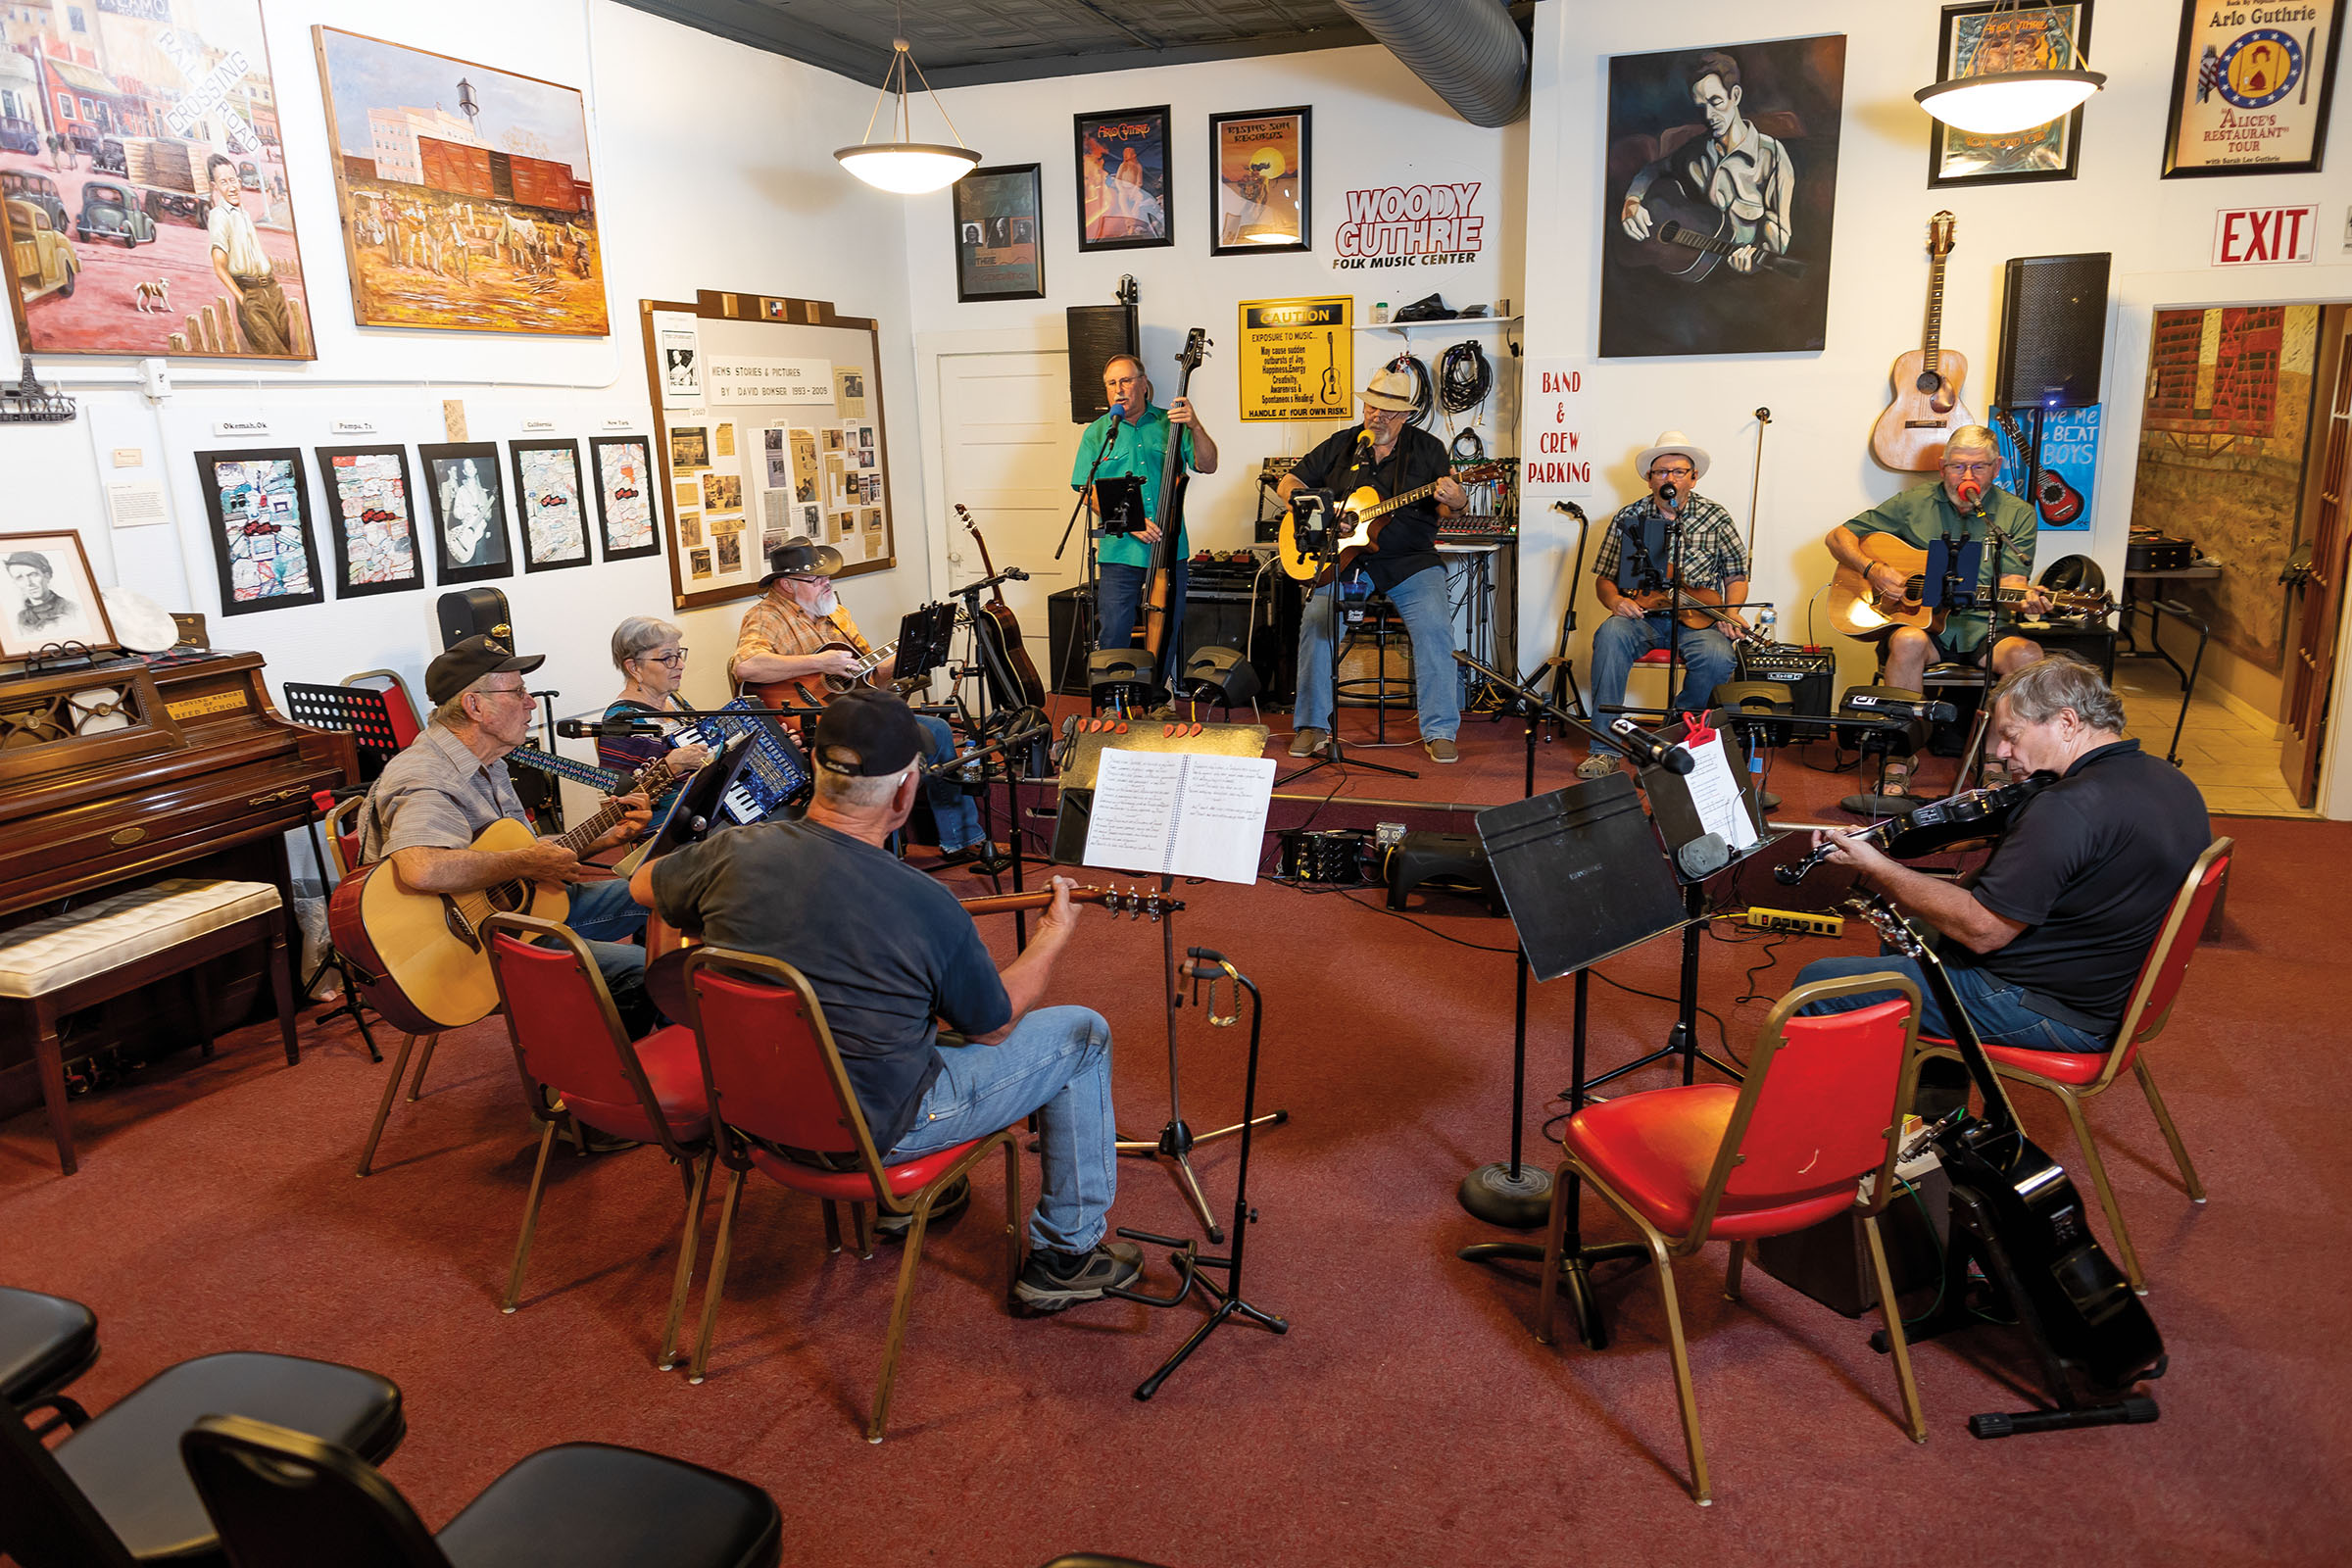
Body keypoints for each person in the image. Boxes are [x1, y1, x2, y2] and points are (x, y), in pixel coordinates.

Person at [632, 687, 1141, 1309]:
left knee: (903, 1015)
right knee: (1082, 1035)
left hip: (751, 1111)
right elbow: (995, 1026)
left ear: (815, 769)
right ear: (904, 792)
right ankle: (1065, 1256)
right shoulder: (925, 903)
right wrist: (1053, 936)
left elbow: (641, 886)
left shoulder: (733, 851)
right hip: (871, 1131)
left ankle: (912, 1206)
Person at [1792, 656, 2210, 1114]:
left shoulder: (2068, 807)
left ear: (2067, 722)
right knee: (1914, 936)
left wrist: (1879, 866)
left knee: (1820, 982)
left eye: (2012, 735)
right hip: (2112, 992)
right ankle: (1931, 1115)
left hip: (2056, 1010)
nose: (2004, 752)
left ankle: (1816, 1151)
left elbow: (1984, 931)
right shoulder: (2172, 781)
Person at [356, 635, 656, 1030]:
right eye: (518, 692)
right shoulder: (426, 774)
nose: (531, 703)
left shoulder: (492, 756)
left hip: (522, 912)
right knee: (645, 970)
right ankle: (598, 1080)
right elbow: (422, 869)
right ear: (475, 706)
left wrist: (607, 838)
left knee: (667, 891)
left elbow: (524, 853)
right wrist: (527, 859)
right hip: (471, 948)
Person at [729, 538, 997, 868]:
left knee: (938, 729)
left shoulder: (836, 614)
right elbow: (747, 666)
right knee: (905, 738)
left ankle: (960, 838)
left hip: (852, 712)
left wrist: (909, 659)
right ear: (786, 584)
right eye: (817, 579)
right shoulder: (765, 617)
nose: (828, 584)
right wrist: (820, 664)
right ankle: (876, 845)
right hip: (806, 725)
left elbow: (867, 676)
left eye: (828, 576)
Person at [1826, 423, 2047, 797]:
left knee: (2029, 655)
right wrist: (1873, 569)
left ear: (1997, 468)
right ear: (1942, 466)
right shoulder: (1913, 503)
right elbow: (1838, 537)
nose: (1967, 476)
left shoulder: (2016, 514)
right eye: (1958, 466)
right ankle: (1900, 756)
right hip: (1925, 626)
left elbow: (2011, 581)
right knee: (1908, 641)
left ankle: (1991, 758)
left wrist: (2027, 597)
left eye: (1978, 467)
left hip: (1983, 626)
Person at [1280, 368, 1468, 764]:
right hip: (1344, 560)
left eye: (1388, 411)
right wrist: (1323, 513)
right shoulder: (1342, 445)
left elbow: (1446, 508)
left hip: (1410, 561)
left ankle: (1439, 730)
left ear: (1405, 416)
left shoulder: (1429, 449)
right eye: (1371, 406)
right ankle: (1313, 725)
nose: (1376, 416)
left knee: (1435, 629)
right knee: (1316, 621)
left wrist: (1456, 499)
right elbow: (1289, 483)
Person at [1580, 430, 1749, 779]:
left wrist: (1730, 614)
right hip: (1642, 616)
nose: (1669, 478)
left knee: (1718, 657)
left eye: (1678, 471)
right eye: (1660, 472)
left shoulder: (1715, 516)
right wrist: (1614, 601)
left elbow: (1736, 576)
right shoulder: (1631, 517)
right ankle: (1603, 749)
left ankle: (1677, 732)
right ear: (1648, 480)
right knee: (1610, 635)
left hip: (1697, 620)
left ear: (1693, 477)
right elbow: (1605, 577)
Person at [1068, 352, 1220, 668]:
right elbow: (1086, 490)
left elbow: (1208, 464)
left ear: (1144, 384)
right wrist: (1131, 522)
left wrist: (1195, 426)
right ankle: (1114, 701)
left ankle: (1157, 699)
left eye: (1125, 380)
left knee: (1165, 632)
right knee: (1113, 631)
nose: (1118, 389)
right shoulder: (1098, 432)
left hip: (1170, 549)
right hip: (1119, 553)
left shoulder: (1171, 424)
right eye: (1111, 383)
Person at [1620, 49, 1794, 276]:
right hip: (1688, 266)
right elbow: (1652, 170)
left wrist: (1758, 260)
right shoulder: (1693, 150)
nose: (1709, 115)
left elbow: (1779, 228)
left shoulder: (1771, 155)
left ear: (1736, 96)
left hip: (1737, 279)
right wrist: (1632, 201)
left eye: (1716, 102)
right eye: (1701, 106)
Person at [597, 615, 712, 808]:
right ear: (634, 668)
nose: (680, 665)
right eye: (668, 658)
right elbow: (619, 804)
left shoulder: (675, 701)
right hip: (667, 830)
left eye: (679, 654)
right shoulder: (621, 720)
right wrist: (671, 767)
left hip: (705, 812)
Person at [206, 153, 292, 356]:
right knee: (274, 354)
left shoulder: (243, 213)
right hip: (250, 293)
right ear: (214, 186)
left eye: (233, 180)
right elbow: (219, 266)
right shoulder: (219, 216)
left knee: (286, 350)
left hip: (272, 290)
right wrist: (243, 299)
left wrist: (274, 286)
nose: (232, 187)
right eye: (224, 182)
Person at [6, 552, 77, 636]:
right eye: (19, 578)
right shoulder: (20, 620)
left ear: (47, 576)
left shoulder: (72, 609)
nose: (29, 583)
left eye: (33, 574)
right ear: (15, 583)